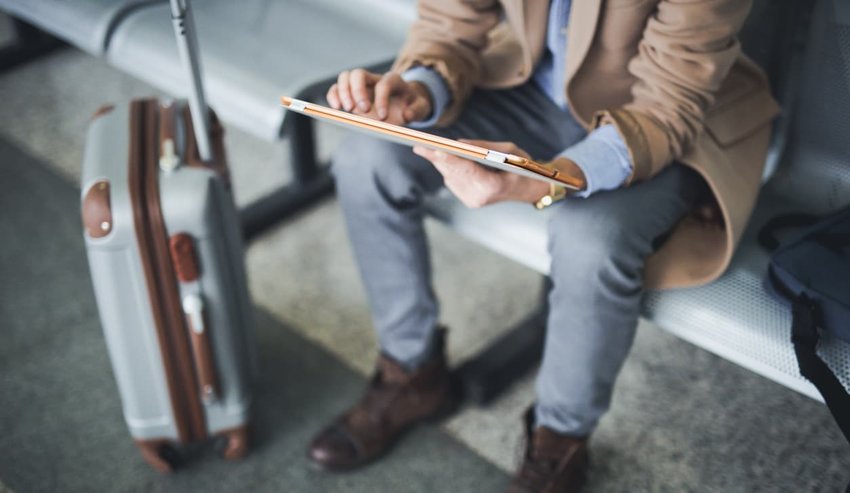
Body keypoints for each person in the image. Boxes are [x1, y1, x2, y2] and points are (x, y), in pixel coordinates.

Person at [308, 0, 779, 490]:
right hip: (534, 83)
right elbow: (452, 19)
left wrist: (546, 180)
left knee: (590, 239)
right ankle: (412, 374)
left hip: (665, 122)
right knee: (368, 157)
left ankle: (559, 441)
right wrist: (420, 90)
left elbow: (669, 106)